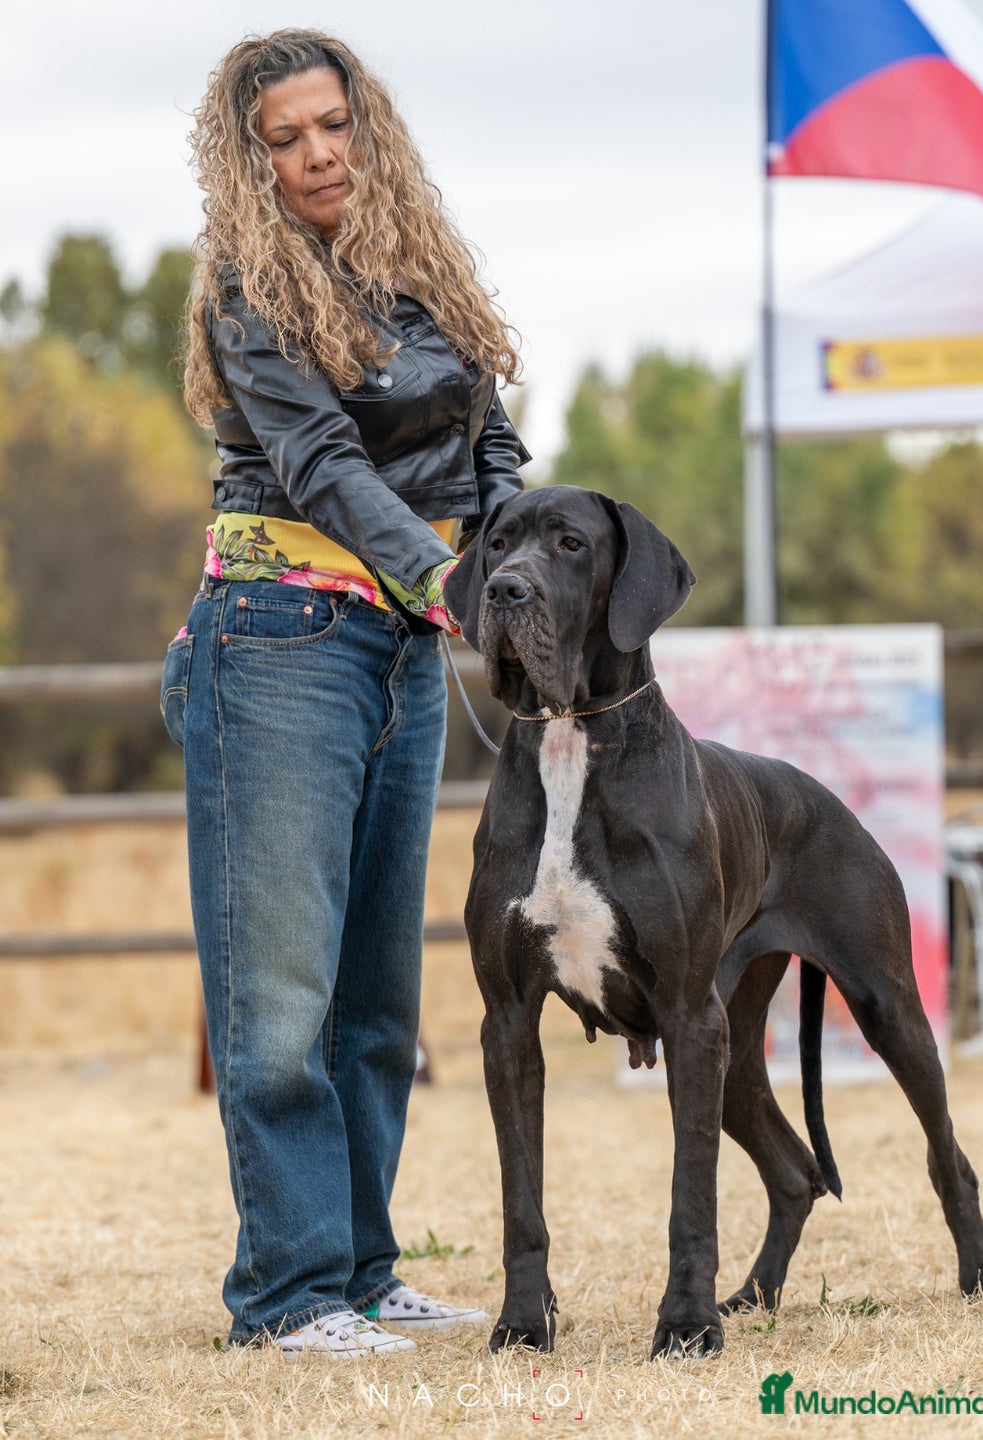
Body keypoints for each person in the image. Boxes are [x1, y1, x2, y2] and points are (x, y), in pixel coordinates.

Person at [159, 29, 528, 1357]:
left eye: (334, 126)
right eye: (286, 137)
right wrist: (449, 581)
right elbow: (322, 467)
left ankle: (364, 1271)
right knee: (280, 1001)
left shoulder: (419, 268)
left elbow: (489, 444)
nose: (318, 154)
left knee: (379, 996)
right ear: (251, 158)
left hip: (402, 649)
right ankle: (287, 1294)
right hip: (279, 641)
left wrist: (515, 568)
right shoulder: (248, 288)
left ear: (366, 128)